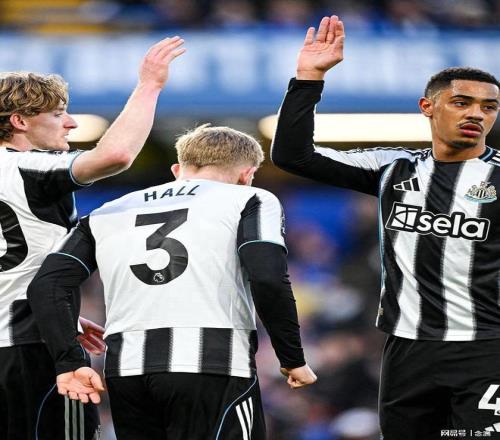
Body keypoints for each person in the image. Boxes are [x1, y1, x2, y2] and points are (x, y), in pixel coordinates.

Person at [270, 14, 500, 439]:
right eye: (462, 102)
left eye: (489, 107)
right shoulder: (393, 168)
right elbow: (292, 155)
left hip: (486, 347)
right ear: (427, 107)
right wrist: (308, 79)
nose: (476, 114)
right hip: (406, 349)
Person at [27, 124, 317, 440]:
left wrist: (69, 359)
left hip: (126, 371)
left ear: (177, 170)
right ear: (246, 175)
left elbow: (46, 285)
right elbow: (268, 277)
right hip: (213, 364)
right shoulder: (250, 198)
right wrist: (292, 358)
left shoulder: (107, 211)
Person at [0, 36, 186, 439]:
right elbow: (115, 156)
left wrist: (59, 314)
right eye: (58, 114)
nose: (70, 123)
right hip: (29, 348)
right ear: (20, 121)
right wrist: (149, 85)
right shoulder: (26, 167)